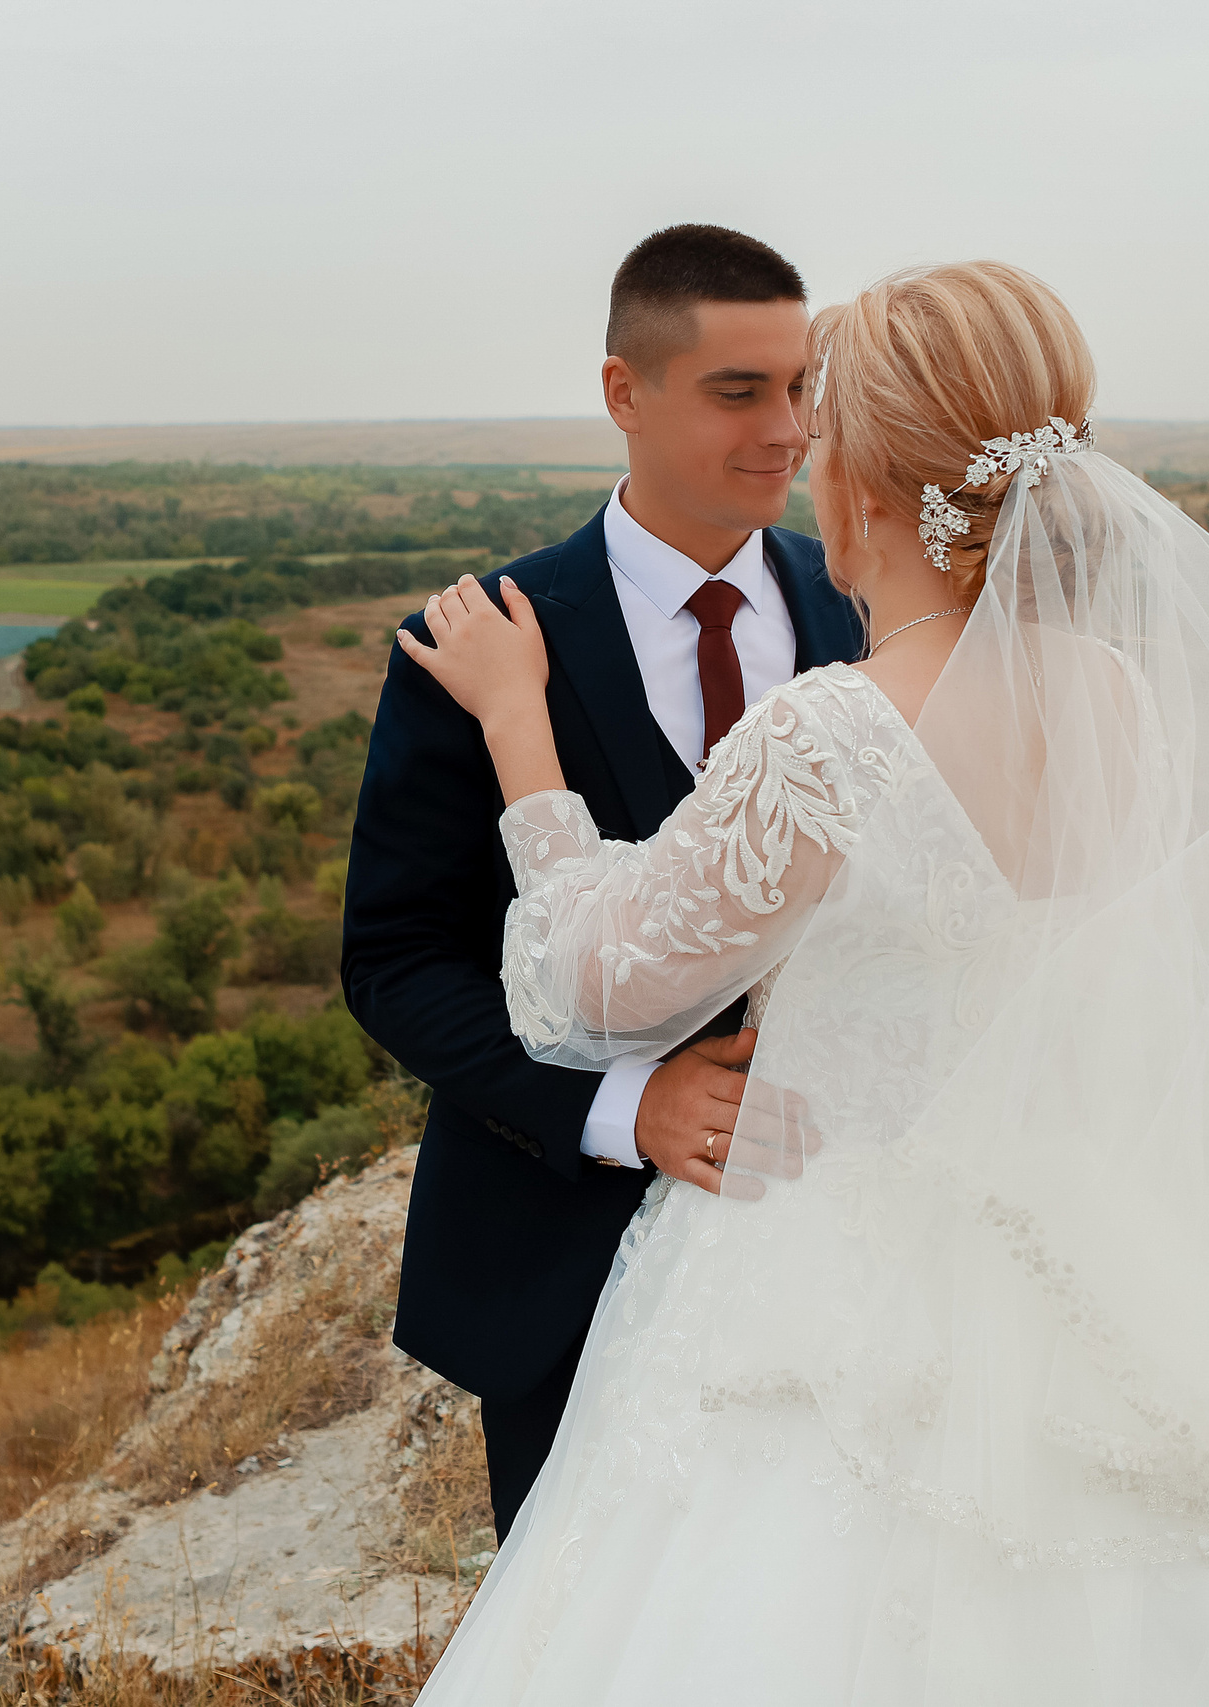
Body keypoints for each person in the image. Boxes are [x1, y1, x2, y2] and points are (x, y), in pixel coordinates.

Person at [393, 262, 1209, 1703]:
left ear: (871, 478)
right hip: (1068, 1260)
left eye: (821, 422)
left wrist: (516, 729)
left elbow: (589, 985)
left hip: (821, 1271)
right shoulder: (1112, 696)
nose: (800, 452)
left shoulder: (834, 734)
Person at [340, 225, 862, 1541]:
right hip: (560, 1262)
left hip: (843, 1241)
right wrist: (619, 1107)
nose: (787, 430)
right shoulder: (477, 644)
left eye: (802, 387)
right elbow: (398, 959)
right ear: (624, 392)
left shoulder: (871, 609)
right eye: (739, 392)